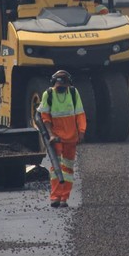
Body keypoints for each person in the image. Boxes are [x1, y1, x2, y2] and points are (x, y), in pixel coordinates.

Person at [38, 70, 86, 208]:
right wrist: (51, 134)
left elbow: (80, 114)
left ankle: (64, 198)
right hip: (56, 138)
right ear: (54, 83)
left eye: (63, 83)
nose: (61, 86)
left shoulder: (73, 93)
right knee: (56, 168)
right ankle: (55, 197)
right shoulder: (48, 94)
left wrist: (81, 132)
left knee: (68, 169)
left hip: (71, 138)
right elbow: (45, 117)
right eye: (59, 83)